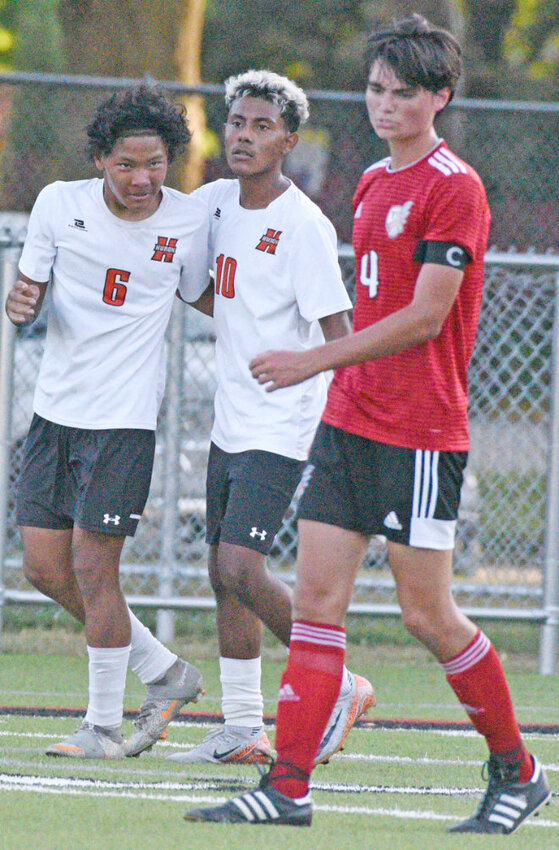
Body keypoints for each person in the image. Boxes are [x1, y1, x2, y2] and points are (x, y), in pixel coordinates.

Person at [184, 16, 551, 833]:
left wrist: (316, 360)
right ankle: (287, 786)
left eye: (404, 93)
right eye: (376, 90)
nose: (385, 105)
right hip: (350, 424)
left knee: (427, 615)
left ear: (440, 98)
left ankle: (517, 770)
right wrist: (334, 380)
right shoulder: (373, 179)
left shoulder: (455, 186)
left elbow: (425, 318)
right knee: (315, 603)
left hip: (421, 432)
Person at [166, 70, 374, 767]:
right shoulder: (213, 204)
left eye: (261, 127)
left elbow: (339, 330)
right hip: (231, 415)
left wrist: (307, 382)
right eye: (237, 123)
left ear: (287, 139)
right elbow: (201, 295)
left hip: (282, 423)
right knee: (219, 573)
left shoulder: (302, 226)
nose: (245, 136)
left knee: (241, 564)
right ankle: (242, 725)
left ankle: (340, 682)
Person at [5, 85, 210, 759]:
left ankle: (101, 727)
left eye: (155, 164)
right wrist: (22, 303)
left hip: (122, 424)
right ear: (100, 160)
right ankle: (164, 671)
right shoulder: (59, 204)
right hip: (53, 415)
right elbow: (26, 299)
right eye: (127, 164)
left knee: (95, 570)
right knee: (43, 568)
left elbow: (213, 298)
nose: (142, 178)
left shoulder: (187, 222)